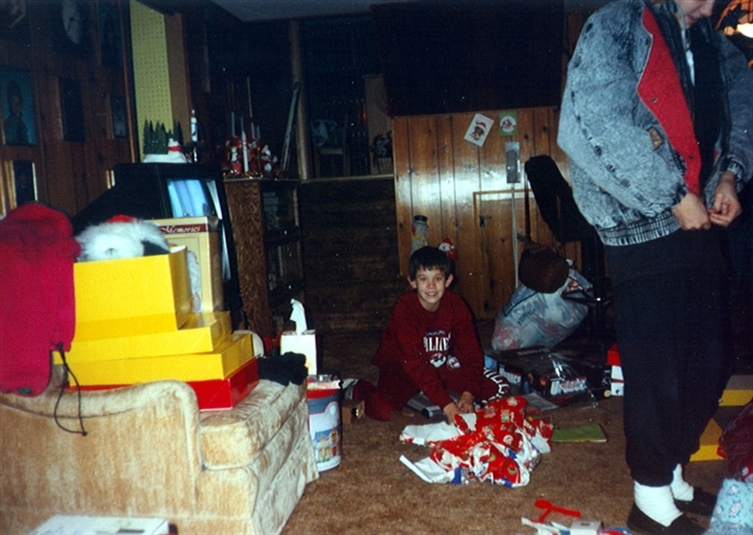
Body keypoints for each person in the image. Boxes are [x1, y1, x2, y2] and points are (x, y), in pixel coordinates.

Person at [558, 0, 753, 533]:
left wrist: (730, 176)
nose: (708, 7)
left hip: (699, 220)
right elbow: (590, 123)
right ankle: (648, 496)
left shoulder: (714, 46)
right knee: (658, 364)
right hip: (638, 222)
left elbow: (741, 109)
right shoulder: (615, 24)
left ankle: (669, 472)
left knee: (708, 359)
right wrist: (671, 195)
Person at [348, 246, 509, 422]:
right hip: (402, 367)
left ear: (448, 280)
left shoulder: (456, 305)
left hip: (440, 363)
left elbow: (471, 353)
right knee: (383, 411)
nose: (431, 286)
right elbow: (414, 364)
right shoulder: (404, 308)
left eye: (437, 279)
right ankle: (357, 387)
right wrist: (448, 407)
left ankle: (428, 393)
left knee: (494, 388)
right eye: (423, 279)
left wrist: (468, 393)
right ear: (412, 282)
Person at [4, 80, 29, 145]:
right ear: (10, 104)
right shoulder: (8, 125)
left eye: (19, 102)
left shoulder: (22, 125)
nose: (17, 106)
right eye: (14, 102)